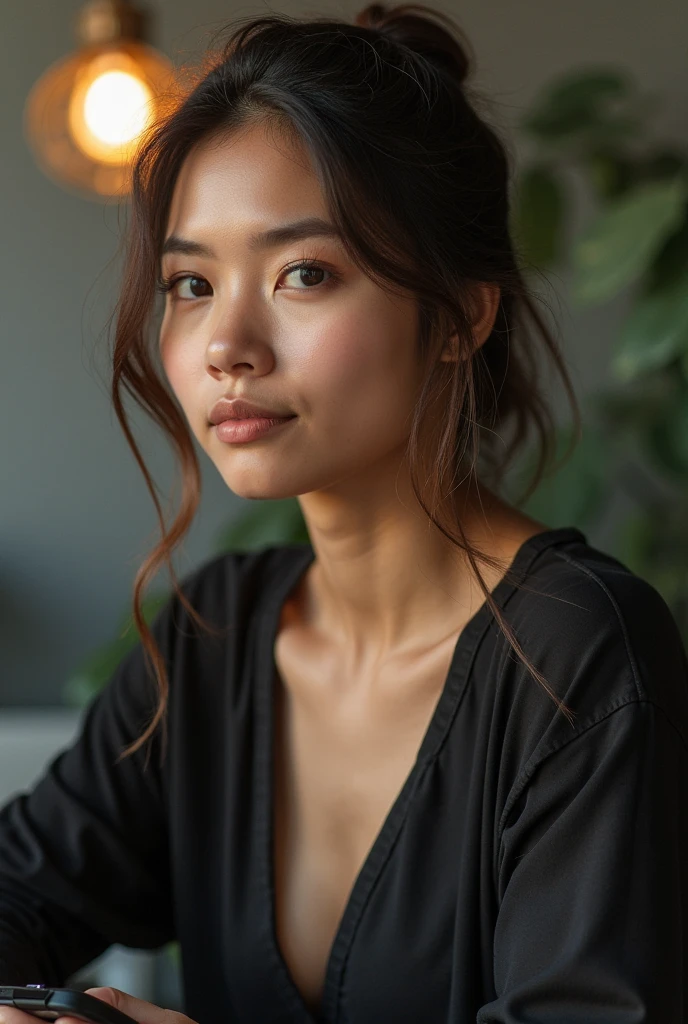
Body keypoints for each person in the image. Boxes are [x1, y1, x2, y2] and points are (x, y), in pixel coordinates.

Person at [1, 4, 687, 1023]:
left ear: (459, 313)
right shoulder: (213, 640)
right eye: (190, 282)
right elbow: (23, 886)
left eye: (303, 274)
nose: (226, 341)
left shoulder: (580, 653)